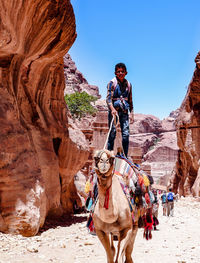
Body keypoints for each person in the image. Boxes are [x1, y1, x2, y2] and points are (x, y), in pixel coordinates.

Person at [106, 63, 134, 157]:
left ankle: (125, 156)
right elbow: (108, 98)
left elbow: (130, 100)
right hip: (114, 112)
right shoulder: (112, 83)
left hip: (125, 112)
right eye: (118, 72)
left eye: (122, 71)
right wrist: (112, 109)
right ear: (115, 73)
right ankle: (109, 154)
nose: (120, 73)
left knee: (126, 134)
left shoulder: (129, 84)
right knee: (112, 133)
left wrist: (132, 114)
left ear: (126, 72)